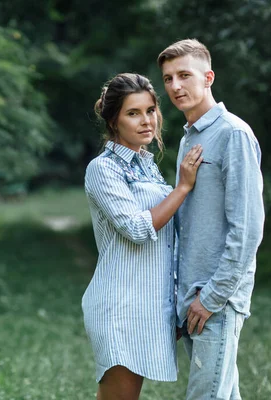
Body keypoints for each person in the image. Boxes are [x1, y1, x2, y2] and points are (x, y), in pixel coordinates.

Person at [83, 72, 204, 400]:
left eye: (150, 110)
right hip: (120, 305)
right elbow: (138, 229)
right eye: (133, 113)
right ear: (113, 120)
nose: (146, 121)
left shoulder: (147, 166)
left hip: (147, 304)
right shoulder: (103, 169)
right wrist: (182, 187)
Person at [157, 39, 265, 400]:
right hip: (192, 297)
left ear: (208, 77)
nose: (175, 86)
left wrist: (213, 296)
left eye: (184, 75)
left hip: (215, 298)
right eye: (168, 78)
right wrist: (181, 297)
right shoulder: (191, 138)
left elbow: (247, 228)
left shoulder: (232, 134)